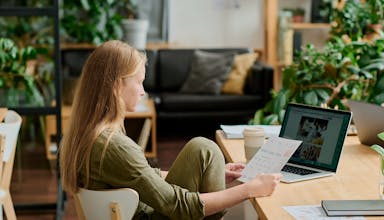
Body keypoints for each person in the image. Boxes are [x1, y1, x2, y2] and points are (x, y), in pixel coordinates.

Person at [59, 40, 281, 220]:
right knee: (205, 151)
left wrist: (214, 174)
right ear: (117, 85)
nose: (143, 91)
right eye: (139, 82)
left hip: (134, 209)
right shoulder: (113, 146)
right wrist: (250, 189)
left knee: (203, 150)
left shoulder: (89, 133)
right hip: (145, 214)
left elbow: (143, 175)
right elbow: (177, 205)